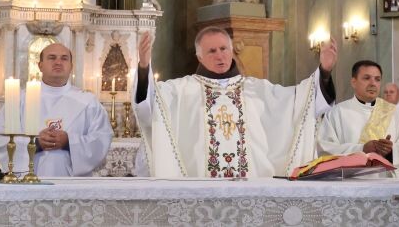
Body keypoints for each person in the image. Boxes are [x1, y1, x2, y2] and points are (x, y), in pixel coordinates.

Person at [133, 27, 338, 177]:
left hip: (251, 186)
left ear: (231, 51)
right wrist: (144, 67)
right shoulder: (181, 90)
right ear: (199, 57)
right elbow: (149, 106)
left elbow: (300, 102)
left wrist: (325, 72)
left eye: (223, 48)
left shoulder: (257, 89)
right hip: (201, 188)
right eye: (211, 51)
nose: (220, 55)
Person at [0, 43, 112, 176]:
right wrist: (36, 143)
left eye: (64, 58)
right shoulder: (19, 99)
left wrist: (68, 141)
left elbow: (101, 140)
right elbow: (0, 138)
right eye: (52, 57)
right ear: (40, 65)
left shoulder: (89, 102)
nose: (58, 62)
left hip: (73, 185)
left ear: (71, 66)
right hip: (27, 182)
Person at [318, 61, 399, 178]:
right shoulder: (336, 113)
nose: (373, 83)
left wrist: (391, 152)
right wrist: (362, 149)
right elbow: (325, 151)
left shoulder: (395, 113)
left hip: (386, 188)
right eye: (366, 78)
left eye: (377, 79)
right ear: (353, 82)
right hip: (349, 188)